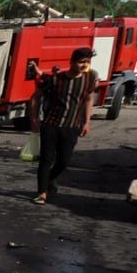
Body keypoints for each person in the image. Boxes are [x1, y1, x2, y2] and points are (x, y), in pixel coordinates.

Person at [29, 47, 98, 204]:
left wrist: (87, 122)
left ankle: (50, 179)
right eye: (81, 62)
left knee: (64, 161)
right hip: (51, 125)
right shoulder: (55, 80)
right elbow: (35, 97)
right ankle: (42, 192)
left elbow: (88, 100)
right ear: (72, 62)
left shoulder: (89, 79)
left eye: (87, 62)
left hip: (72, 126)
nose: (84, 65)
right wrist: (33, 118)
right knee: (46, 160)